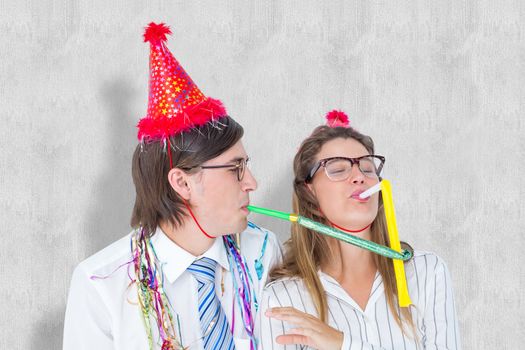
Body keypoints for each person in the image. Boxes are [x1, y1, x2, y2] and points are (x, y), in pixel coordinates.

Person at [63, 22, 281, 350]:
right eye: (236, 169)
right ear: (182, 182)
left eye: (246, 165)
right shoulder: (101, 284)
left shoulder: (262, 250)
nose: (252, 182)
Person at [256, 110, 460, 349]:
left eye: (366, 167)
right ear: (309, 193)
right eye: (338, 169)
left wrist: (342, 344)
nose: (358, 176)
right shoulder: (282, 300)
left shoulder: (427, 273)